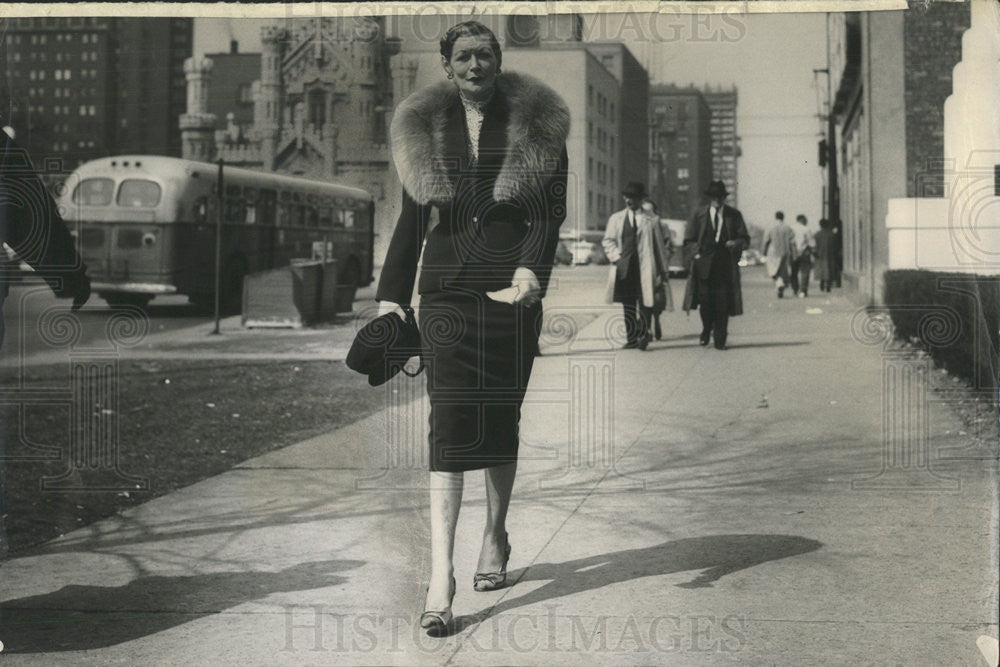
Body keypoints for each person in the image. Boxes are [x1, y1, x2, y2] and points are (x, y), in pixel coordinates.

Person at [373, 21, 569, 634]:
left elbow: (549, 212)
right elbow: (410, 220)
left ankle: (495, 533)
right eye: (464, 57)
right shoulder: (424, 125)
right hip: (446, 294)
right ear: (447, 65)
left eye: (485, 55)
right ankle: (440, 579)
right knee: (450, 428)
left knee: (500, 417)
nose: (476, 65)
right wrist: (390, 298)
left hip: (512, 296)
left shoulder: (537, 122)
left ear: (499, 60)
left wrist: (530, 275)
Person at [682, 180, 750, 350]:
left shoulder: (734, 215)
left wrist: (736, 243)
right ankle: (706, 328)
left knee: (723, 303)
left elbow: (745, 239)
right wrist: (696, 254)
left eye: (720, 197)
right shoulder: (698, 214)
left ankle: (720, 337)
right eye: (714, 197)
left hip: (725, 265)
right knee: (705, 302)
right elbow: (688, 240)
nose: (718, 200)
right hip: (703, 264)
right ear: (710, 198)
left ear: (724, 198)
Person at [601, 182, 668, 350]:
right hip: (625, 268)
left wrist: (661, 269)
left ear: (641, 199)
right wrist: (616, 257)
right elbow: (608, 240)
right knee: (628, 303)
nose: (629, 201)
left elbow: (660, 245)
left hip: (646, 266)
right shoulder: (616, 219)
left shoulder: (652, 219)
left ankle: (644, 333)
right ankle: (631, 339)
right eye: (627, 197)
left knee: (646, 301)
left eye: (633, 198)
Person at [642, 198, 674, 340]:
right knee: (643, 298)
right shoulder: (640, 224)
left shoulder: (663, 227)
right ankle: (647, 327)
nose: (648, 214)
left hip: (658, 267)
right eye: (645, 211)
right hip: (643, 267)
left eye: (650, 211)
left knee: (658, 298)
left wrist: (664, 260)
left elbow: (669, 247)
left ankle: (657, 319)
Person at [762, 210, 795, 298]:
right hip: (785, 251)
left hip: (772, 251)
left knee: (773, 270)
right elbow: (792, 241)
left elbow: (766, 240)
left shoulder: (770, 226)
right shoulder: (787, 227)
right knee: (782, 271)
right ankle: (780, 284)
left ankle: (779, 283)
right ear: (783, 217)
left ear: (775, 217)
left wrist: (764, 251)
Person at [789, 213, 815, 298]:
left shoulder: (791, 228)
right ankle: (803, 290)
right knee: (805, 272)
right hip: (804, 253)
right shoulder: (806, 229)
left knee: (794, 272)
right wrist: (813, 252)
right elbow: (811, 243)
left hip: (793, 253)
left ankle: (795, 289)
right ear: (802, 220)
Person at [813, 218, 836, 292]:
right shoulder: (832, 234)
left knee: (821, 269)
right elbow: (836, 245)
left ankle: (822, 284)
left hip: (820, 255)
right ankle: (828, 285)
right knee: (829, 269)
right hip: (830, 254)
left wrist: (814, 253)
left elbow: (814, 246)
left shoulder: (817, 234)